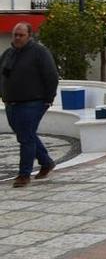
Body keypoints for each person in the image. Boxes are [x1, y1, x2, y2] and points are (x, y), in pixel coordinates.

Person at [0, 23, 59, 188]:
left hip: (33, 102)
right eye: (15, 35)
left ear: (29, 35)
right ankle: (46, 162)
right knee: (27, 135)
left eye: (21, 35)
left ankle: (24, 175)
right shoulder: (8, 53)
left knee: (26, 137)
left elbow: (51, 75)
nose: (17, 38)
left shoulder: (40, 52)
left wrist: (49, 98)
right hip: (11, 103)